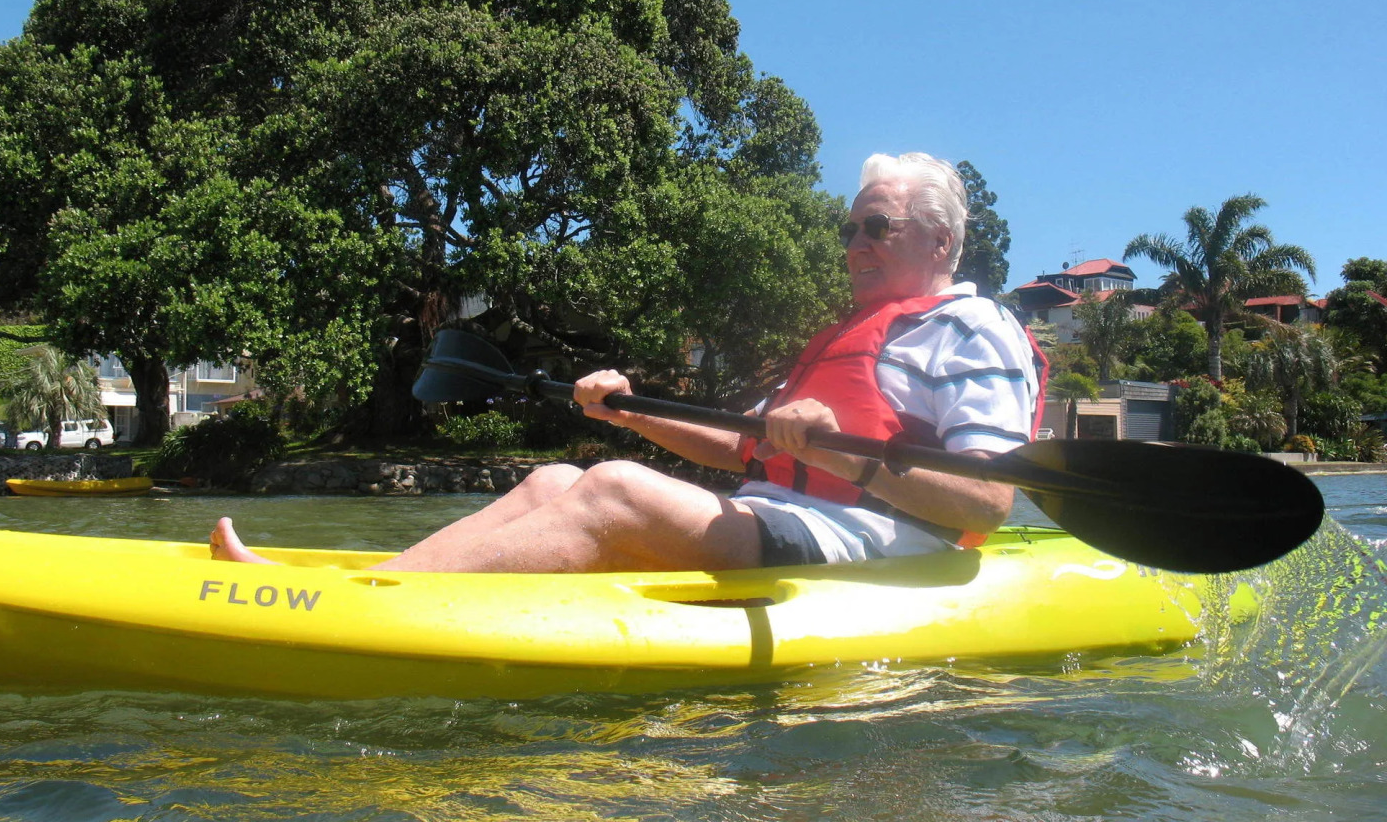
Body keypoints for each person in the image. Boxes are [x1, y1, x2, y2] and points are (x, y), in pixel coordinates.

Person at [211, 152, 1044, 572]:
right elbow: (744, 449)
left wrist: (829, 450)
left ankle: (354, 612)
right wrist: (632, 409)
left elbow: (987, 499)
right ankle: (376, 589)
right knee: (554, 482)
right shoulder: (850, 335)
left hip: (886, 545)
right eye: (850, 229)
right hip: (789, 520)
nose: (855, 245)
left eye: (877, 228)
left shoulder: (973, 331)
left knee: (611, 487)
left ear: (939, 239)